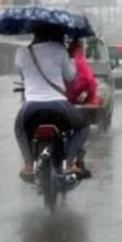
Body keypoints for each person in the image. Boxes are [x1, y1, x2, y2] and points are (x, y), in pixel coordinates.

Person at [14, 23, 90, 182]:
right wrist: (71, 58)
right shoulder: (59, 49)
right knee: (83, 126)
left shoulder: (21, 51)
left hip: (30, 108)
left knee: (19, 128)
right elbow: (70, 77)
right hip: (59, 107)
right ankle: (69, 162)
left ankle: (28, 164)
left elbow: (22, 73)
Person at [66, 40, 99, 106]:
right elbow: (89, 79)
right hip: (87, 99)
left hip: (73, 98)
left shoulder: (73, 60)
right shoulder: (79, 59)